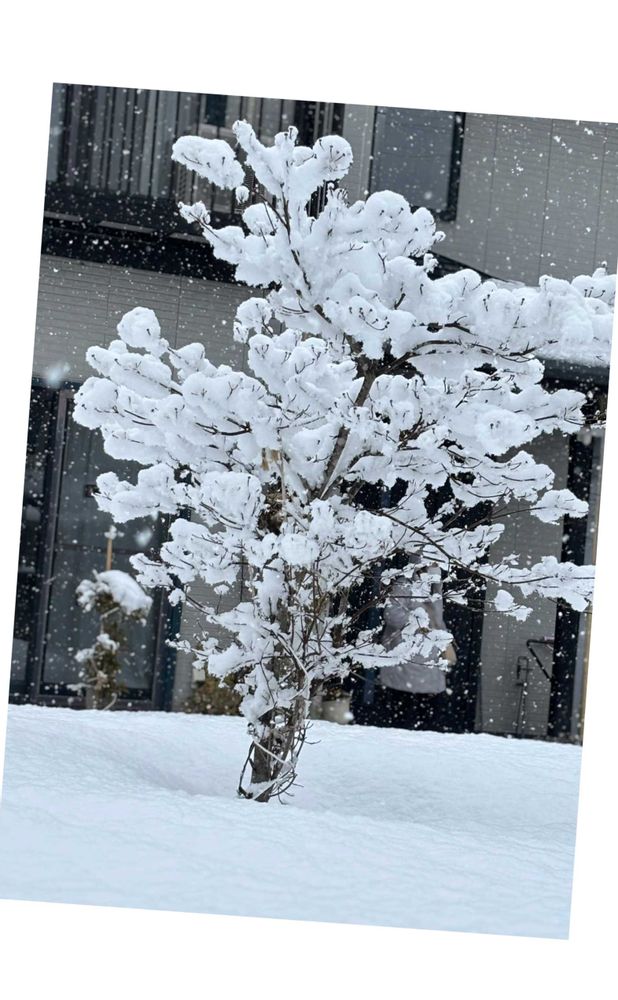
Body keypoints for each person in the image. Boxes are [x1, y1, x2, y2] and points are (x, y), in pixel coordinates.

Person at [352, 564, 456, 731]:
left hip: (427, 659)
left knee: (423, 717)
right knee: (404, 715)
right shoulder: (405, 583)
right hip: (405, 656)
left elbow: (437, 618)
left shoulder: (436, 586)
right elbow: (392, 615)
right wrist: (419, 621)